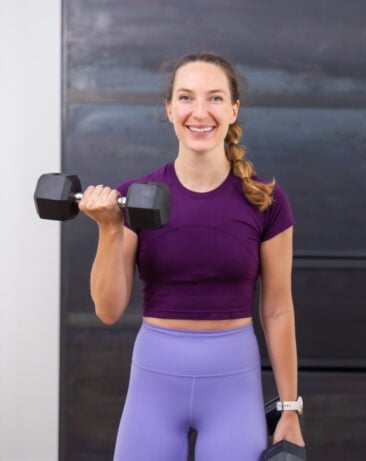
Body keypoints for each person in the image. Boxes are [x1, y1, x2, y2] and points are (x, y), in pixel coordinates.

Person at [77, 53, 304, 460]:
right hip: (155, 382)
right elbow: (108, 310)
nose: (200, 112)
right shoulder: (134, 197)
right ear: (169, 109)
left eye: (215, 98)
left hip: (233, 384)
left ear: (233, 109)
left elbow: (277, 311)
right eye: (186, 97)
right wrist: (109, 227)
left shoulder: (266, 200)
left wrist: (290, 409)